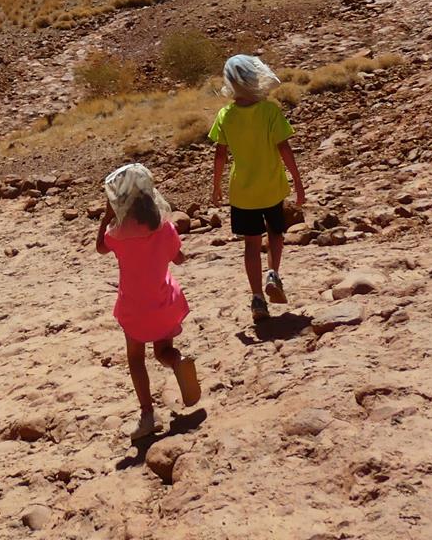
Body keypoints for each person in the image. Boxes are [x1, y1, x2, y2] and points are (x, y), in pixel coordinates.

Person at [96, 162, 201, 444]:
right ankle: (177, 361)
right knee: (163, 350)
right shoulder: (163, 227)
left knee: (135, 358)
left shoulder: (118, 234)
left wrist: (106, 218)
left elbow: (100, 248)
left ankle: (147, 414)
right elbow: (179, 258)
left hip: (135, 308)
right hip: (165, 302)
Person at [209, 54, 305, 320]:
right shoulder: (269, 111)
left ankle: (257, 299)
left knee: (251, 245)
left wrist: (216, 186)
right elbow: (284, 148)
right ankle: (273, 274)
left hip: (242, 192)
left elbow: (220, 155)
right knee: (276, 233)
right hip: (271, 186)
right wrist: (297, 182)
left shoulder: (225, 115)